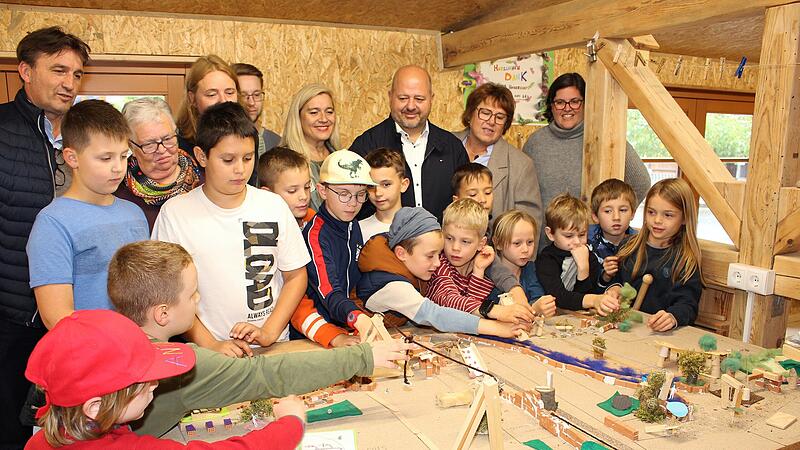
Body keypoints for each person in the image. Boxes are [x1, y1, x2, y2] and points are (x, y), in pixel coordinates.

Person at [107, 240, 411, 436]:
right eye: (191, 294)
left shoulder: (107, 337)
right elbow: (268, 375)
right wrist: (364, 356)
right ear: (162, 314)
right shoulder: (179, 364)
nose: (198, 298)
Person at [24, 309, 309, 449]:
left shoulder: (47, 436)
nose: (156, 384)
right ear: (95, 406)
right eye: (144, 382)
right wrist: (290, 423)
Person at [153, 102, 309, 357]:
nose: (240, 169)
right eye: (228, 160)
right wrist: (211, 345)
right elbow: (169, 296)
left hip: (274, 346)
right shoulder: (175, 214)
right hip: (209, 353)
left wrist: (269, 332)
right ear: (202, 156)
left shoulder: (273, 206)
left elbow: (296, 276)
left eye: (248, 158)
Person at [0, 26, 90, 448]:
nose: (69, 83)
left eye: (76, 74)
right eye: (58, 70)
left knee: (69, 429)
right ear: (25, 71)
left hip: (72, 313)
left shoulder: (82, 136)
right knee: (12, 428)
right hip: (14, 316)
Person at [26, 99, 149, 330]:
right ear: (72, 158)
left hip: (138, 349)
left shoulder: (134, 213)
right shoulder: (53, 223)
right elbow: (57, 317)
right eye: (105, 158)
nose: (118, 168)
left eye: (124, 156)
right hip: (89, 356)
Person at [522, 72, 650, 250]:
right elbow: (524, 194)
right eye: (560, 102)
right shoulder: (535, 144)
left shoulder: (605, 138)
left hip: (591, 247)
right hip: (545, 247)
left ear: (586, 103)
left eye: (575, 101)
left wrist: (614, 216)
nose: (567, 108)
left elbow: (641, 181)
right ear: (551, 106)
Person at [357, 207, 524, 338]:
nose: (437, 263)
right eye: (431, 256)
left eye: (438, 254)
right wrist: (497, 323)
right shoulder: (392, 285)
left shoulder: (408, 258)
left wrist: (512, 287)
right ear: (401, 253)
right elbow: (435, 314)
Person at [257, 147, 357, 348]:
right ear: (267, 194)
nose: (303, 196)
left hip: (324, 328)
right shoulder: (264, 238)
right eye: (292, 191)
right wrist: (332, 335)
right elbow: (296, 302)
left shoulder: (313, 221)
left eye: (306, 187)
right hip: (294, 335)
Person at [350, 65, 468, 221]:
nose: (411, 106)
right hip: (381, 242)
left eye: (419, 99)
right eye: (403, 98)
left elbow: (467, 205)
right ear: (390, 97)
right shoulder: (367, 145)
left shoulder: (452, 147)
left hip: (443, 243)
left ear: (431, 99)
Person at [605, 178, 703, 331]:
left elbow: (688, 305)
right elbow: (618, 281)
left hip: (657, 334)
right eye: (651, 212)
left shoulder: (686, 260)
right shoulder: (628, 246)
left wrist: (672, 317)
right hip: (623, 329)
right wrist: (615, 290)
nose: (657, 220)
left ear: (684, 218)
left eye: (668, 215)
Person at [303, 150, 375, 336]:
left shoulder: (353, 225)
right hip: (318, 332)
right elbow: (330, 291)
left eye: (360, 194)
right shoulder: (314, 236)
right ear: (322, 191)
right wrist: (355, 316)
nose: (353, 203)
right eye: (344, 194)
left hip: (346, 324)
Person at [452, 83, 542, 229]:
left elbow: (529, 227)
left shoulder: (521, 165)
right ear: (470, 114)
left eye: (500, 117)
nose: (491, 121)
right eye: (485, 113)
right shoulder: (444, 145)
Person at [115, 97, 202, 231]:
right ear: (131, 146)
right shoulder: (118, 193)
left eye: (168, 139)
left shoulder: (203, 182)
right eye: (149, 144)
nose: (161, 150)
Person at [536, 193, 618, 314]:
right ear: (550, 234)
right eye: (569, 236)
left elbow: (588, 297)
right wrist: (593, 299)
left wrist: (583, 269)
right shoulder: (547, 259)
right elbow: (559, 298)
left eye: (581, 234)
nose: (577, 242)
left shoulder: (590, 256)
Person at [427, 199, 496, 315]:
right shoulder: (438, 266)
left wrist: (478, 270)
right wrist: (495, 311)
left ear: (481, 244)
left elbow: (471, 315)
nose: (455, 247)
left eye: (465, 241)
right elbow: (451, 304)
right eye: (449, 238)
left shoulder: (483, 270)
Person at [280, 83, 342, 210]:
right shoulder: (284, 162)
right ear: (298, 117)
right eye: (314, 112)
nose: (324, 119)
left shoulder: (341, 159)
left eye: (329, 112)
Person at [491, 210, 555, 311]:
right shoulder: (490, 275)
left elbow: (537, 296)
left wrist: (543, 306)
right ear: (498, 243)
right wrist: (533, 309)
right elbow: (492, 310)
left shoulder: (530, 268)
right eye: (517, 243)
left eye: (530, 242)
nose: (525, 249)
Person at [589, 178, 637, 281]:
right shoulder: (585, 240)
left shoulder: (638, 243)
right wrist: (604, 276)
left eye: (623, 210)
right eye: (608, 211)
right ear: (595, 217)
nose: (616, 217)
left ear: (632, 214)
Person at [359, 148, 410, 241]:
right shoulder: (358, 230)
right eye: (371, 186)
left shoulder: (419, 227)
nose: (378, 193)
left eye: (386, 184)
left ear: (403, 185)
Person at [231, 63, 281, 156]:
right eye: (243, 95)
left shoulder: (277, 143)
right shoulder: (217, 142)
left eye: (257, 94)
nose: (251, 103)